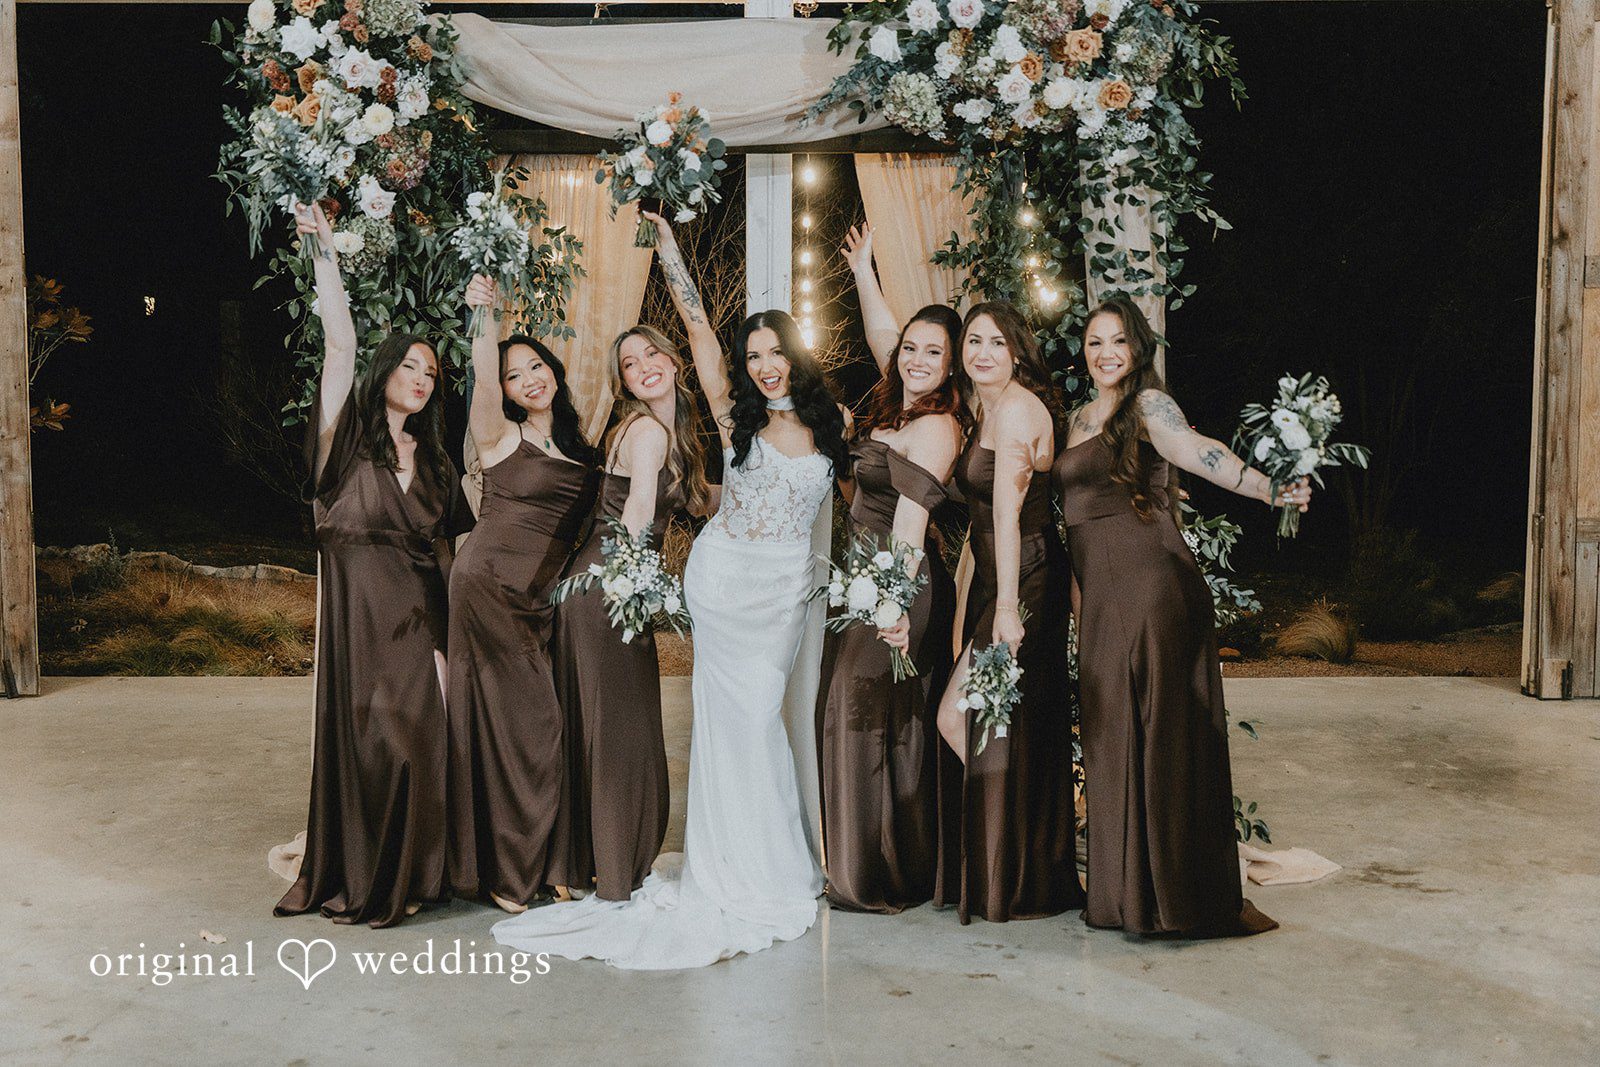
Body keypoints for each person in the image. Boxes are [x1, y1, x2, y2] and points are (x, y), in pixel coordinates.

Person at [491, 210, 847, 968]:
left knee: (759, 722)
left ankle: (774, 863)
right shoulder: (734, 419)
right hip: (722, 584)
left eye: (774, 350)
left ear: (796, 353)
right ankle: (728, 870)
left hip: (781, 592)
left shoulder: (834, 424)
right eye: (752, 354)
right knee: (727, 727)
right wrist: (672, 251)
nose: (762, 363)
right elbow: (698, 331)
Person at [1054, 295, 1308, 937]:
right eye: (1094, 342)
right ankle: (1119, 894)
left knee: (1157, 730)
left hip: (1152, 588)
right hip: (1103, 597)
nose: (1105, 352)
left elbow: (1200, 452)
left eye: (1117, 341)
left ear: (1138, 349)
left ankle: (1167, 896)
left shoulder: (1148, 405)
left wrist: (1268, 486)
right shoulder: (1081, 416)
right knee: (1113, 729)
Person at [274, 202, 471, 927]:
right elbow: (338, 346)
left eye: (431, 372)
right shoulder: (344, 448)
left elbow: (445, 561)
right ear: (388, 371)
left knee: (418, 750)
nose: (422, 378)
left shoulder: (440, 466)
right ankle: (363, 870)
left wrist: (450, 647)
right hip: (358, 628)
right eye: (411, 366)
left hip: (420, 628)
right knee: (369, 746)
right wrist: (325, 250)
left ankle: (418, 873)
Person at [814, 224, 962, 913]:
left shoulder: (937, 426)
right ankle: (859, 857)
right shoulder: (892, 397)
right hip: (857, 579)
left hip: (896, 582)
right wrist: (865, 269)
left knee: (862, 709)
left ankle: (874, 871)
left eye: (935, 352)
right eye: (912, 348)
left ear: (954, 364)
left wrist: (895, 604)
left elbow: (909, 525)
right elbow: (884, 337)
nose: (916, 359)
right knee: (853, 708)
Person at [445, 276, 600, 913]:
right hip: (485, 587)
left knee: (528, 729)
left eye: (537, 366)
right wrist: (485, 315)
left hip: (537, 601)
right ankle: (509, 874)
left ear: (554, 371)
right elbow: (480, 382)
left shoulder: (582, 447)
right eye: (515, 375)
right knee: (522, 728)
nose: (530, 379)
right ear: (505, 391)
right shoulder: (501, 437)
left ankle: (536, 862)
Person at [931, 302, 1085, 924]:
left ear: (1017, 350)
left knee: (956, 715)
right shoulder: (984, 408)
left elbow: (1005, 515)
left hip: (1025, 579)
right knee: (1004, 724)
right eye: (974, 341)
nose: (984, 352)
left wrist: (1005, 608)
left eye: (997, 342)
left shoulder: (1019, 408)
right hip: (1004, 577)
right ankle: (1025, 854)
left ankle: (1018, 855)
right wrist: (864, 275)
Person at [552, 323, 708, 901]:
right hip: (611, 589)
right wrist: (632, 577)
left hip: (596, 585)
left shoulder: (669, 432)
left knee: (603, 728)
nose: (643, 365)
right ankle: (614, 870)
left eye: (651, 353)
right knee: (621, 734)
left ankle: (582, 863)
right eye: (628, 363)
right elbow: (641, 502)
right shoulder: (645, 431)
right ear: (623, 382)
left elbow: (693, 499)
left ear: (672, 359)